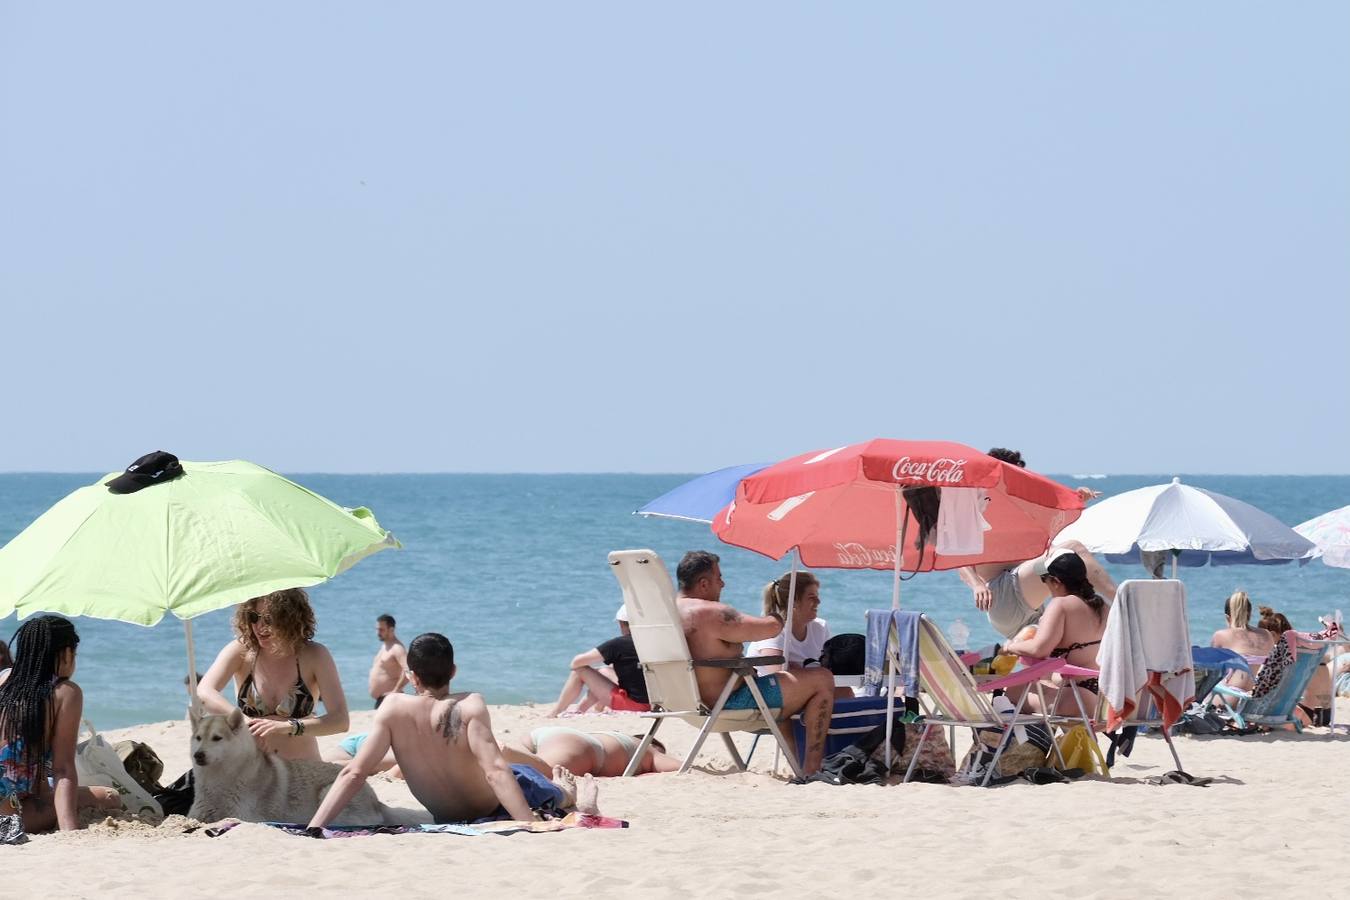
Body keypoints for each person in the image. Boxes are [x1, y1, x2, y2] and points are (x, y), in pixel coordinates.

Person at [309, 633, 594, 828]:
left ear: (411, 677)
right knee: (523, 775)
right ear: (454, 671)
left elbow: (354, 772)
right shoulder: (470, 704)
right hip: (492, 807)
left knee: (525, 778)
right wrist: (529, 825)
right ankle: (565, 794)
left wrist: (315, 826)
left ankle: (564, 794)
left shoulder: (392, 708)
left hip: (447, 816)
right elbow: (495, 770)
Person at [674, 550, 835, 775]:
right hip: (729, 703)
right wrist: (782, 610)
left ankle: (799, 766)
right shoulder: (709, 612)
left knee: (789, 689)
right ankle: (813, 770)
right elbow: (769, 628)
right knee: (822, 679)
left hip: (683, 705)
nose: (723, 584)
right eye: (718, 577)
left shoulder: (665, 613)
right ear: (703, 584)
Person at [957, 448, 1115, 639]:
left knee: (1058, 661)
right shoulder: (978, 507)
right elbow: (959, 557)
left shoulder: (1020, 512)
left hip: (1032, 606)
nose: (1013, 482)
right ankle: (1121, 604)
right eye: (1009, 475)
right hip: (1003, 596)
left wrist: (1076, 498)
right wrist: (976, 585)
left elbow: (1053, 517)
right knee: (1073, 548)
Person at [198, 588, 349, 761]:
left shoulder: (314, 654)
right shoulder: (241, 651)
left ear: (290, 618)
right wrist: (245, 722)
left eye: (269, 619)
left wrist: (287, 727)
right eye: (254, 617)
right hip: (251, 769)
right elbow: (204, 692)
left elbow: (340, 721)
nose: (260, 627)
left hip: (302, 770)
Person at [0, 616, 91, 832]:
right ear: (67, 654)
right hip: (6, 821)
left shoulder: (3, 679)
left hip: (15, 800)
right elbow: (63, 768)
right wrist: (70, 832)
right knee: (109, 797)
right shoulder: (65, 692)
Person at [999, 552, 1108, 716]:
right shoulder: (1104, 606)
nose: (1045, 586)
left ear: (1056, 582)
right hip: (1103, 695)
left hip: (1077, 697)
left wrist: (1010, 647)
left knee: (1012, 692)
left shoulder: (1061, 605)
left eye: (1045, 580)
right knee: (1042, 683)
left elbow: (1039, 649)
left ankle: (1008, 742)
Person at [547, 606, 649, 717]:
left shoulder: (618, 644)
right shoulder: (653, 641)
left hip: (633, 705)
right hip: (656, 703)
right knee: (604, 671)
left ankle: (556, 712)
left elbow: (576, 662)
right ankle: (581, 709)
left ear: (621, 624)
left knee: (580, 670)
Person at [518, 727, 681, 777]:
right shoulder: (648, 749)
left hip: (545, 734)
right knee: (540, 774)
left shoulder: (618, 738)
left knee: (508, 768)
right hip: (580, 747)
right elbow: (682, 767)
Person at [1209, 590, 1275, 693]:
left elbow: (1210, 673)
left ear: (1227, 617)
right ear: (1249, 614)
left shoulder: (1221, 635)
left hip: (1232, 696)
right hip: (1264, 698)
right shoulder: (1267, 634)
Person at [368, 614, 408, 708]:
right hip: (382, 699)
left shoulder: (397, 648)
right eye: (377, 629)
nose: (378, 633)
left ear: (391, 629)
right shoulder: (385, 646)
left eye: (381, 630)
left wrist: (397, 690)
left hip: (390, 700)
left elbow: (408, 670)